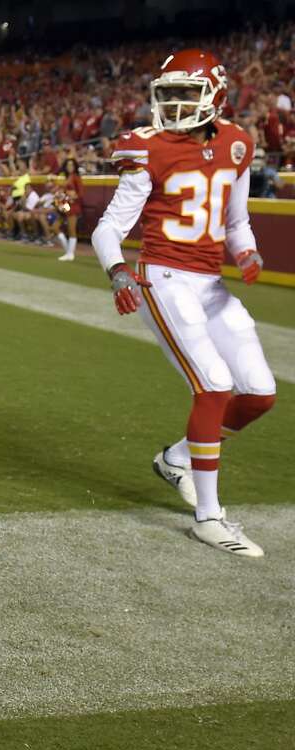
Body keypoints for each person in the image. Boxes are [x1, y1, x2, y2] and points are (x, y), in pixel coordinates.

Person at [92, 49, 275, 558]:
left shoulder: (238, 142)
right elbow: (110, 227)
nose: (175, 104)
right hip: (164, 278)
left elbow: (237, 221)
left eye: (186, 93)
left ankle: (177, 458)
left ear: (214, 94)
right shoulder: (148, 148)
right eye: (168, 93)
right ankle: (208, 517)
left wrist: (248, 251)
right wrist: (118, 270)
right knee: (214, 384)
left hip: (210, 283)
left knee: (259, 394)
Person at [57, 156, 83, 261]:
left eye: (72, 165)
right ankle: (68, 251)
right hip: (66, 205)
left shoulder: (76, 177)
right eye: (68, 165)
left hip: (73, 205)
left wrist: (70, 195)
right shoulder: (67, 177)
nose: (69, 167)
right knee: (55, 226)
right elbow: (64, 193)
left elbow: (80, 194)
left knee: (71, 229)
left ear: (75, 166)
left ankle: (70, 254)